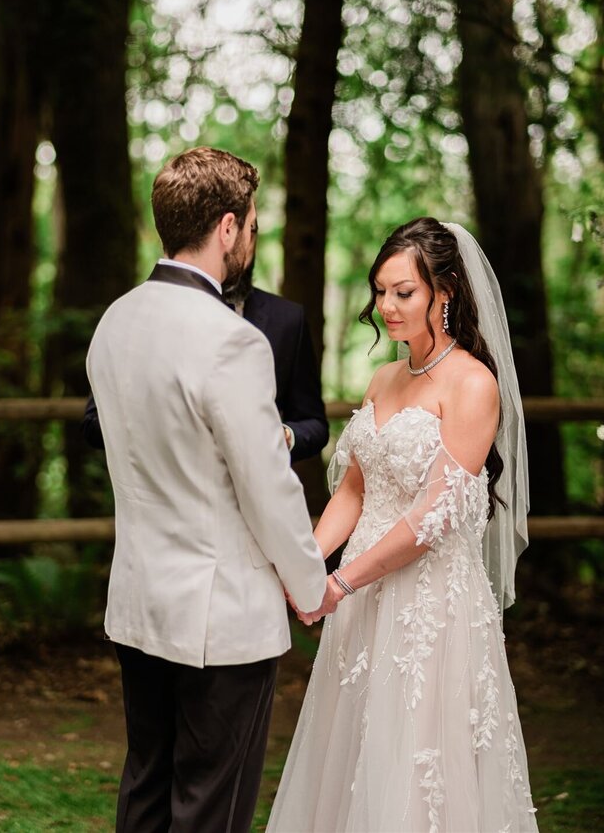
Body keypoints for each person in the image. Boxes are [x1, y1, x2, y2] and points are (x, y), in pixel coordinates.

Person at [267, 217, 539, 832]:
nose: (386, 307)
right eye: (380, 291)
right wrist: (305, 564)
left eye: (403, 292)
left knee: (418, 769)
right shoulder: (384, 378)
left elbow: (429, 520)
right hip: (363, 604)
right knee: (354, 758)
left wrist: (340, 584)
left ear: (444, 293)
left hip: (430, 610)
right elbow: (356, 491)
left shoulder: (473, 384)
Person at [86, 147, 328, 833]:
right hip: (221, 620)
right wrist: (311, 587)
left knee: (147, 791)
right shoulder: (233, 340)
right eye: (251, 224)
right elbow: (269, 489)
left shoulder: (114, 323)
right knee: (208, 811)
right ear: (227, 227)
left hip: (138, 603)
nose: (252, 237)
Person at [81, 229, 329, 462]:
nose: (243, 244)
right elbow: (94, 423)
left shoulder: (287, 318)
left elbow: (314, 422)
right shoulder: (140, 316)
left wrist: (284, 436)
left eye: (252, 231)